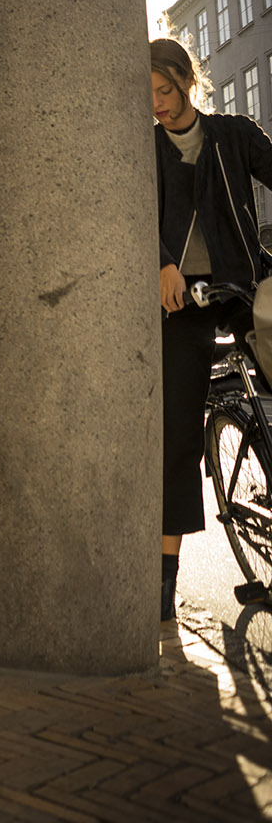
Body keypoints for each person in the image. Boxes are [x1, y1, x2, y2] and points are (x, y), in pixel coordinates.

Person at [151, 36, 272, 622]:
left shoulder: (232, 135)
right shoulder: (144, 148)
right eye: (148, 94)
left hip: (243, 288)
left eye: (166, 90)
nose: (158, 104)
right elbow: (130, 215)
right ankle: (164, 581)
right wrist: (162, 263)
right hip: (182, 305)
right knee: (177, 433)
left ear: (185, 80)